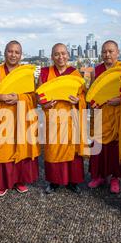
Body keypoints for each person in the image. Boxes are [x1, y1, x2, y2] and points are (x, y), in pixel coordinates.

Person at [0, 40, 40, 196]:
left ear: (21, 55)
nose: (13, 55)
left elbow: (33, 95)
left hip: (22, 117)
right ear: (4, 52)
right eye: (10, 51)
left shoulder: (26, 73)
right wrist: (3, 97)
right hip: (3, 117)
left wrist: (19, 97)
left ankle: (19, 181)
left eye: (17, 52)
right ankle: (2, 184)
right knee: (3, 150)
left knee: (21, 147)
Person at [37, 43, 86, 194]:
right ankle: (54, 181)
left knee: (72, 150)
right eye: (57, 54)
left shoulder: (75, 73)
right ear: (52, 57)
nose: (60, 57)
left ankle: (73, 181)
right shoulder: (45, 72)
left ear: (68, 55)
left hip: (71, 118)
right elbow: (39, 95)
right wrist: (45, 104)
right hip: (53, 117)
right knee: (53, 150)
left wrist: (78, 101)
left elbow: (83, 94)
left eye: (63, 53)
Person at [87, 40, 121, 194]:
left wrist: (120, 100)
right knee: (99, 146)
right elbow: (91, 92)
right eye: (104, 51)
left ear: (117, 53)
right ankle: (99, 176)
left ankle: (115, 178)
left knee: (114, 148)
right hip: (101, 113)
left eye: (111, 51)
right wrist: (93, 103)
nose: (107, 54)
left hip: (118, 115)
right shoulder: (96, 70)